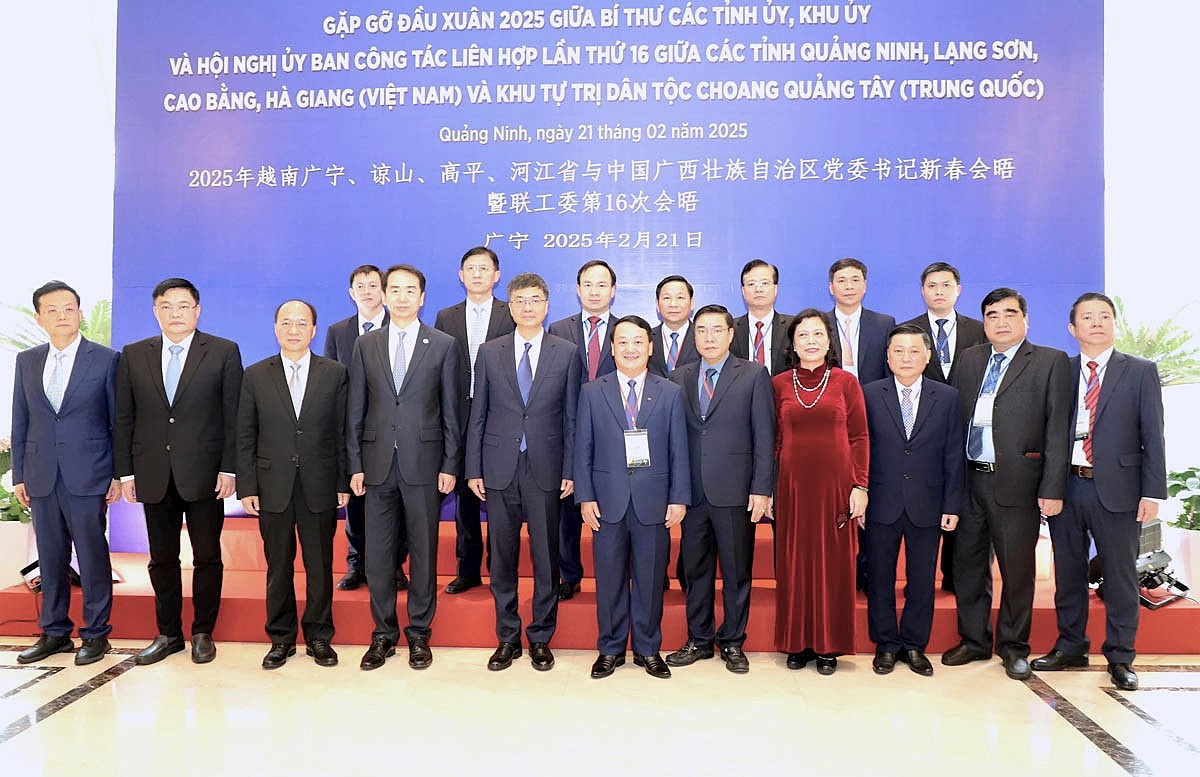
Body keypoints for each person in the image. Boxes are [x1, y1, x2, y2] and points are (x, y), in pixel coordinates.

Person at [1031, 293, 1167, 691]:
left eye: (1104, 316)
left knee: (1121, 577)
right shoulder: (1060, 370)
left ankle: (1121, 656)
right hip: (1068, 487)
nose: (1096, 322)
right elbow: (1048, 433)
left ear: (1114, 323)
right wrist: (1048, 487)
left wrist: (1152, 492)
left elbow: (1152, 436)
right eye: (1087, 317)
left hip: (1120, 490)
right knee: (1068, 575)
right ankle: (1071, 646)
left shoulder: (1140, 371)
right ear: (1072, 329)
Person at [114, 278, 243, 666]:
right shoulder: (134, 354)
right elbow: (123, 418)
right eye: (167, 306)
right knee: (161, 559)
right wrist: (126, 474)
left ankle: (203, 631)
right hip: (152, 473)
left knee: (206, 556)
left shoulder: (222, 351)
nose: (175, 313)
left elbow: (233, 416)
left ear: (197, 310)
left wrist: (229, 469)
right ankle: (168, 633)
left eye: (183, 306)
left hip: (205, 474)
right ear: (156, 311)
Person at [945, 288, 1072, 681]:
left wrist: (1052, 487)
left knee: (1016, 570)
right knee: (967, 565)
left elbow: (1058, 430)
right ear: (983, 321)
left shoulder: (1050, 361)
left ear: (1025, 320)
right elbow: (952, 419)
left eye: (1009, 314)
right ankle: (974, 639)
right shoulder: (970, 359)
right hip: (969, 477)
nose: (1000, 321)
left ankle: (1013, 646)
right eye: (992, 315)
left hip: (1017, 482)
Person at [347, 264, 464, 671]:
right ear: (382, 294)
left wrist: (451, 462)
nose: (400, 297)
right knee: (377, 556)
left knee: (424, 551)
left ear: (422, 297)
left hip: (425, 465)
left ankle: (418, 634)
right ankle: (382, 634)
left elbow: (451, 410)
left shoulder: (444, 344)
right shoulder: (366, 345)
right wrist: (355, 463)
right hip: (377, 466)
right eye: (393, 289)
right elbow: (355, 409)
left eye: (409, 290)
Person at [466, 273, 580, 671]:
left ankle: (541, 637)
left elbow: (571, 418)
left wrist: (571, 469)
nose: (528, 306)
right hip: (498, 468)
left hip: (547, 469)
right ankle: (508, 637)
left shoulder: (566, 352)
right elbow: (477, 413)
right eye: (520, 300)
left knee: (546, 557)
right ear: (509, 307)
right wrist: (473, 467)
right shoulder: (489, 351)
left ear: (547, 306)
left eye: (535, 300)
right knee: (502, 557)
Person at [575, 316, 690, 679]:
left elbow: (678, 450)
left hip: (653, 500)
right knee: (608, 578)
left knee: (650, 577)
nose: (630, 349)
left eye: (638, 341)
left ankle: (647, 648)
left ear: (650, 346)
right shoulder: (593, 391)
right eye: (622, 342)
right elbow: (584, 449)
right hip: (606, 501)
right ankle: (610, 648)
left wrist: (679, 497)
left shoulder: (669, 392)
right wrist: (585, 496)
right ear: (611, 348)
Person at [12, 281, 120, 666]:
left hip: (88, 473)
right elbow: (21, 419)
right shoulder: (27, 360)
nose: (62, 316)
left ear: (79, 312)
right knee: (51, 556)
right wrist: (20, 475)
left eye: (69, 308)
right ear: (40, 317)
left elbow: (116, 422)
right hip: (41, 475)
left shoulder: (106, 359)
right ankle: (54, 632)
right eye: (53, 310)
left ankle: (96, 634)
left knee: (92, 557)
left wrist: (117, 474)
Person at [237, 300, 349, 669]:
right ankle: (281, 638)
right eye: (287, 322)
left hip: (320, 483)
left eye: (302, 323)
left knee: (320, 564)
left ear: (314, 330)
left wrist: (342, 481)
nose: (294, 329)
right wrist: (248, 486)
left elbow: (342, 432)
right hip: (272, 485)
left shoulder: (334, 373)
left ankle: (319, 636)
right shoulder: (255, 374)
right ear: (275, 328)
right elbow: (245, 435)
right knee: (278, 565)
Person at [664, 305, 774, 674]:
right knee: (695, 571)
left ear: (731, 334)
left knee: (736, 571)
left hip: (736, 492)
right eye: (702, 331)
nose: (708, 338)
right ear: (694, 337)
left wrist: (762, 488)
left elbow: (764, 436)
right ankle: (698, 639)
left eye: (716, 330)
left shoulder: (754, 375)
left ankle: (732, 642)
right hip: (692, 493)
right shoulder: (678, 376)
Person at [862, 324, 965, 677]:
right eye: (898, 351)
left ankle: (914, 644)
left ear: (927, 356)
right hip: (880, 500)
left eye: (913, 351)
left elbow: (954, 455)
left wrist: (952, 505)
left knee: (922, 579)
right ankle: (886, 644)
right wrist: (859, 494)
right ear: (887, 357)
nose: (906, 358)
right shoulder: (868, 394)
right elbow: (860, 450)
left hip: (929, 503)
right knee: (880, 577)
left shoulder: (947, 397)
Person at [773, 309, 869, 675]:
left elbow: (860, 437)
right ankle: (798, 643)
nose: (810, 341)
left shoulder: (846, 382)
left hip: (836, 487)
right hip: (794, 487)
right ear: (792, 343)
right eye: (803, 335)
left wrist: (860, 485)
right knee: (794, 563)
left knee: (833, 566)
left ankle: (829, 645)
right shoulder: (780, 383)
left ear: (829, 342)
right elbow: (775, 440)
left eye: (817, 334)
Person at [434, 246, 516, 595]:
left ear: (497, 275)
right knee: (465, 495)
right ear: (460, 275)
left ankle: (500, 570)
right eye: (471, 268)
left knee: (497, 494)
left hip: (500, 415)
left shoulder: (511, 312)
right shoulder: (445, 316)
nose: (478, 274)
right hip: (458, 413)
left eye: (485, 268)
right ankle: (467, 569)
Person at [901, 261, 986, 594]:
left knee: (962, 502)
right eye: (932, 285)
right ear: (922, 291)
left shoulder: (979, 330)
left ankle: (955, 576)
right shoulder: (906, 330)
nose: (939, 291)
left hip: (970, 431)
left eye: (946, 285)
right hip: (920, 435)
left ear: (958, 290)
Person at [322, 265, 406, 592]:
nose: (368, 291)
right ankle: (357, 564)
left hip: (391, 430)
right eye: (361, 285)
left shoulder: (400, 328)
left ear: (384, 291)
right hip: (352, 430)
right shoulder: (337, 331)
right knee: (356, 502)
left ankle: (394, 565)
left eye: (374, 285)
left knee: (397, 502)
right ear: (351, 292)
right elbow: (329, 381)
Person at [548, 259, 618, 600]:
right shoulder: (559, 330)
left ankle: (620, 571)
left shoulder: (629, 331)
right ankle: (569, 573)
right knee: (566, 510)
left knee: (617, 506)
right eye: (588, 284)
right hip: (567, 431)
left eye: (602, 284)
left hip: (615, 434)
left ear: (613, 291)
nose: (594, 291)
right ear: (578, 290)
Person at [826, 257, 896, 384]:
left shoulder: (884, 324)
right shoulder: (821, 324)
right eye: (842, 281)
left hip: (872, 398)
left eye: (855, 280)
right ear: (831, 288)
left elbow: (889, 369)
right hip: (831, 398)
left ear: (865, 285)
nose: (849, 286)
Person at [731, 259, 791, 376]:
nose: (758, 289)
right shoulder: (730, 328)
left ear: (775, 288)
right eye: (751, 284)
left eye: (765, 283)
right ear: (743, 291)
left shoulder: (793, 327)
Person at [647, 275, 699, 377]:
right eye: (667, 298)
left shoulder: (702, 337)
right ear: (657, 305)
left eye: (680, 297)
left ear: (692, 303)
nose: (673, 304)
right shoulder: (647, 338)